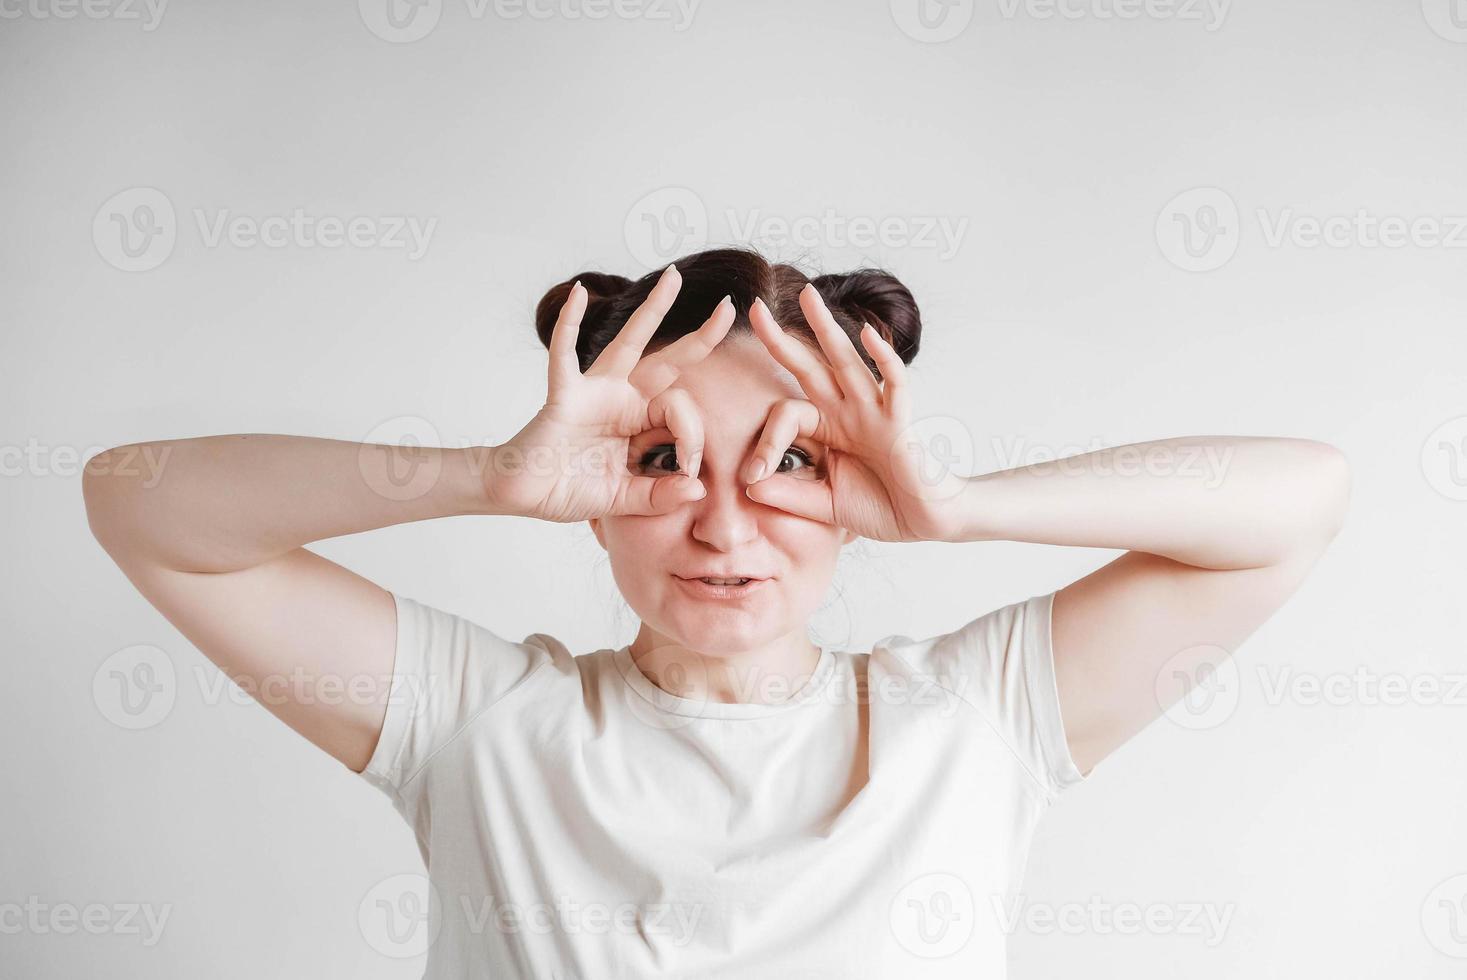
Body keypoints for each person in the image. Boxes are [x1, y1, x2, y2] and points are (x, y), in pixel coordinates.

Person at [81, 246, 1351, 977]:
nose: (727, 523)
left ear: (858, 486)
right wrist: (484, 474)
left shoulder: (978, 718)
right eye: (661, 460)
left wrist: (957, 502)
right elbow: (139, 501)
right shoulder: (481, 725)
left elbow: (1302, 497)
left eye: (791, 461)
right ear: (594, 488)